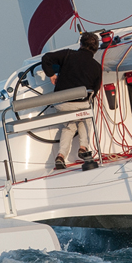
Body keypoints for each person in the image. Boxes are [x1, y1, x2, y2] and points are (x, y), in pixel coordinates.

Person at [41, 32, 103, 169]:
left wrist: (51, 74)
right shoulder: (97, 67)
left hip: (61, 103)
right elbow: (95, 90)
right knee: (85, 116)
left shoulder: (68, 55)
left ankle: (61, 156)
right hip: (81, 104)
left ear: (80, 44)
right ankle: (83, 148)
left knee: (70, 125)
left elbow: (46, 58)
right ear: (96, 49)